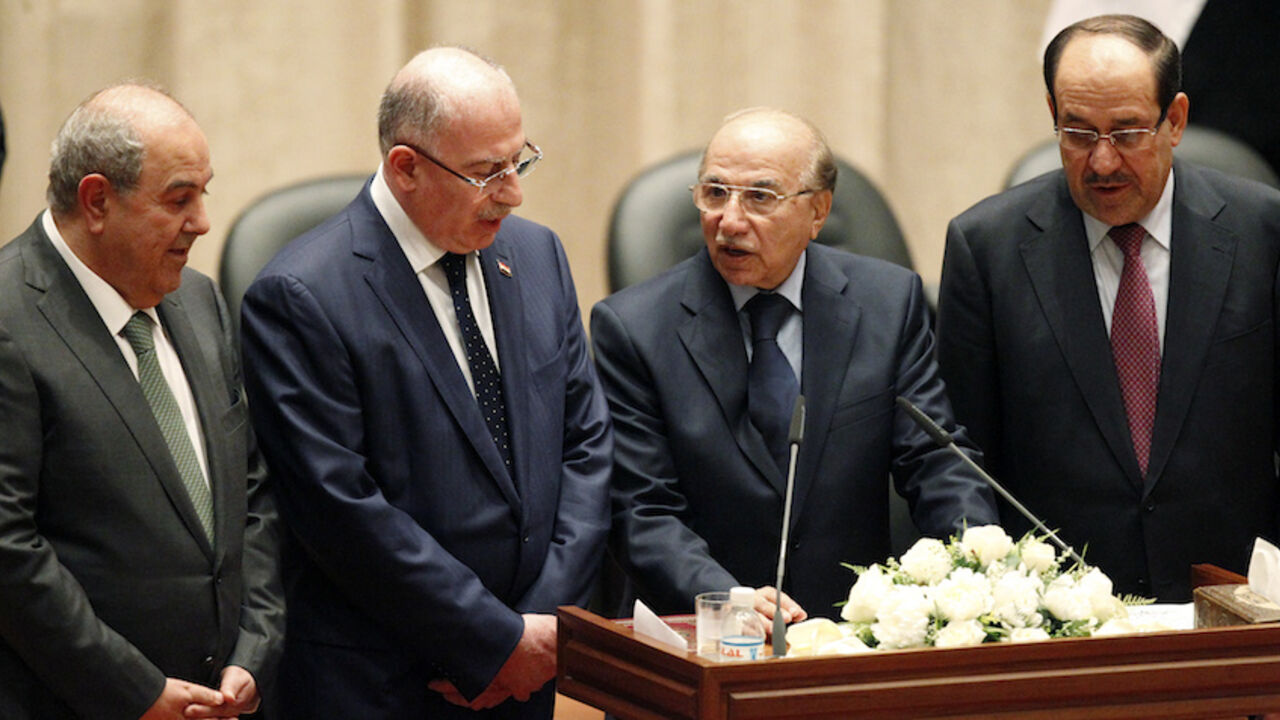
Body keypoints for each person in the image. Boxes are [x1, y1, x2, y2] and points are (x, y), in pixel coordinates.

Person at [239, 47, 611, 719]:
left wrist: (537, 632)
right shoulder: (300, 296)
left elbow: (585, 446)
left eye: (519, 161)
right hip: (386, 684)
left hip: (529, 671)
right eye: (486, 172)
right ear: (405, 167)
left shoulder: (537, 255)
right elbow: (342, 511)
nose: (513, 193)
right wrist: (491, 642)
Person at [591, 107, 999, 622]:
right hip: (702, 628)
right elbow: (642, 510)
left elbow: (935, 458)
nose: (729, 221)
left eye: (760, 197)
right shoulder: (633, 328)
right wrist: (727, 597)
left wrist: (979, 557)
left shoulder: (887, 302)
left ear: (818, 212)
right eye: (715, 193)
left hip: (852, 629)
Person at [937, 15, 1280, 602]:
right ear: (1053, 114)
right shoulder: (986, 249)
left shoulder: (1262, 232)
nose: (1102, 162)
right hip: (1057, 608)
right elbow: (959, 455)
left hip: (1238, 599)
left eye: (1126, 132)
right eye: (1077, 132)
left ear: (1175, 120)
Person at [0, 84, 282, 719]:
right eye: (179, 199)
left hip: (223, 697)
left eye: (204, 193)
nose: (202, 221)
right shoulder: (9, 319)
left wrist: (256, 647)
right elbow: (8, 549)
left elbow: (252, 490)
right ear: (97, 200)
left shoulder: (199, 301)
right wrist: (137, 691)